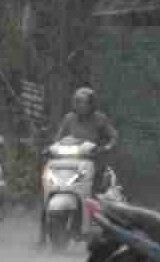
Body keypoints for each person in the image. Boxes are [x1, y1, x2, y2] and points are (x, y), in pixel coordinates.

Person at [37, 86, 118, 246]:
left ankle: (97, 223)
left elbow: (113, 136)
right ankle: (42, 234)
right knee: (49, 188)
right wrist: (50, 147)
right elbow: (58, 138)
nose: (78, 105)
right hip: (69, 162)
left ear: (92, 104)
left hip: (92, 162)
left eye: (82, 102)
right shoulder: (69, 118)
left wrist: (107, 147)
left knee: (96, 191)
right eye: (76, 102)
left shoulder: (100, 119)